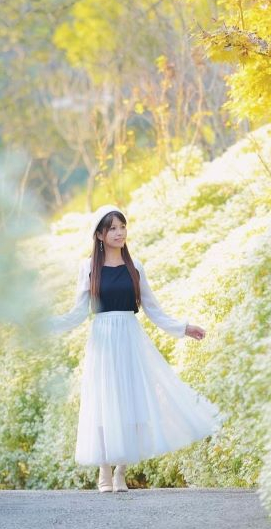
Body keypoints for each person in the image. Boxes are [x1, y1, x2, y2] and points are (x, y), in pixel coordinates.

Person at [45, 204, 223, 492]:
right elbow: (79, 312)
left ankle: (121, 472)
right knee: (104, 401)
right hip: (102, 339)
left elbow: (153, 308)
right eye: (112, 228)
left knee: (130, 402)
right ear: (100, 234)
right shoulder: (88, 267)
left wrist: (183, 328)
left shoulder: (134, 266)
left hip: (129, 337)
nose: (119, 232)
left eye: (122, 227)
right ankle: (104, 470)